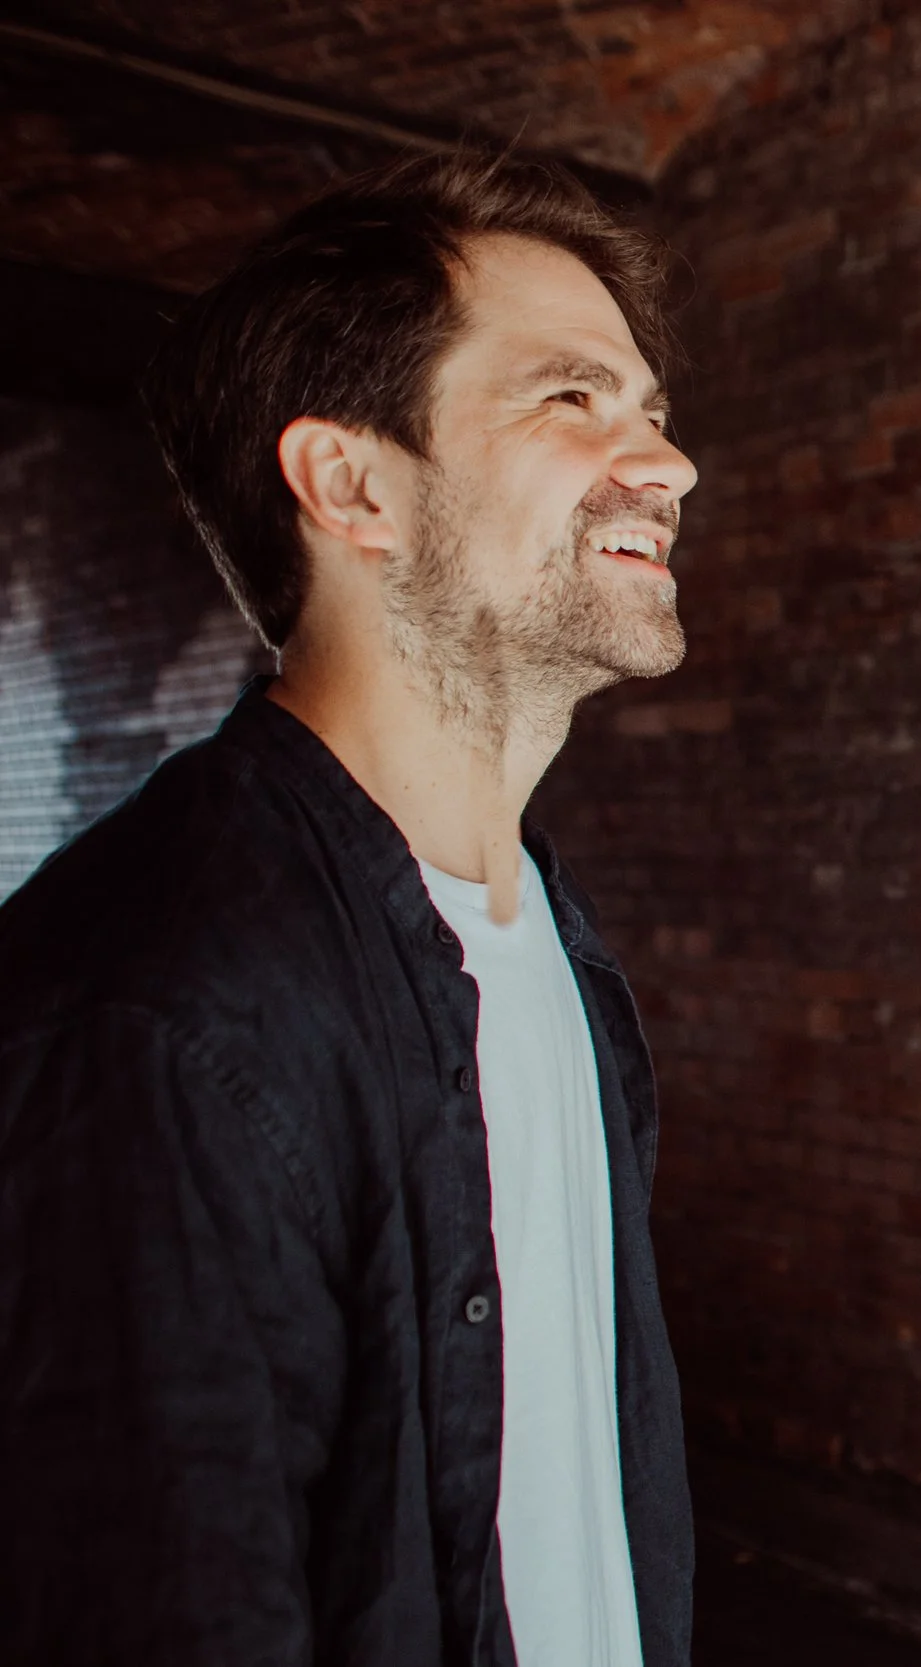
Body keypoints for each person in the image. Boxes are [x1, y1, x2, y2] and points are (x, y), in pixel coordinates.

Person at [0, 150, 699, 1665]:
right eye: (572, 399)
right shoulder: (159, 1004)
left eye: (651, 409)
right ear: (353, 485)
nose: (666, 461)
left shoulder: (556, 952)